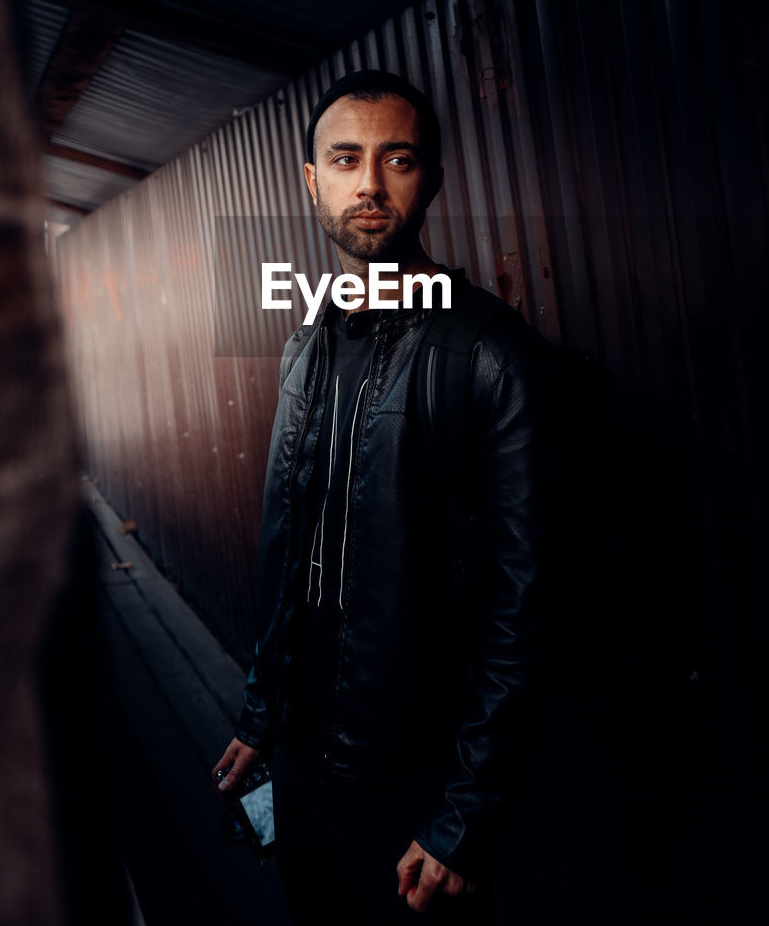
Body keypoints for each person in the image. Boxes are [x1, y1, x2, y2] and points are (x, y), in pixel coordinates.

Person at [213, 70, 554, 922]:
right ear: (311, 181)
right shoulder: (306, 346)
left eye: (395, 159)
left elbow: (530, 606)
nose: (368, 183)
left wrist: (466, 818)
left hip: (418, 788)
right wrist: (264, 715)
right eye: (344, 159)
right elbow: (288, 552)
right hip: (298, 763)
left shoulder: (489, 355)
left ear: (430, 177)